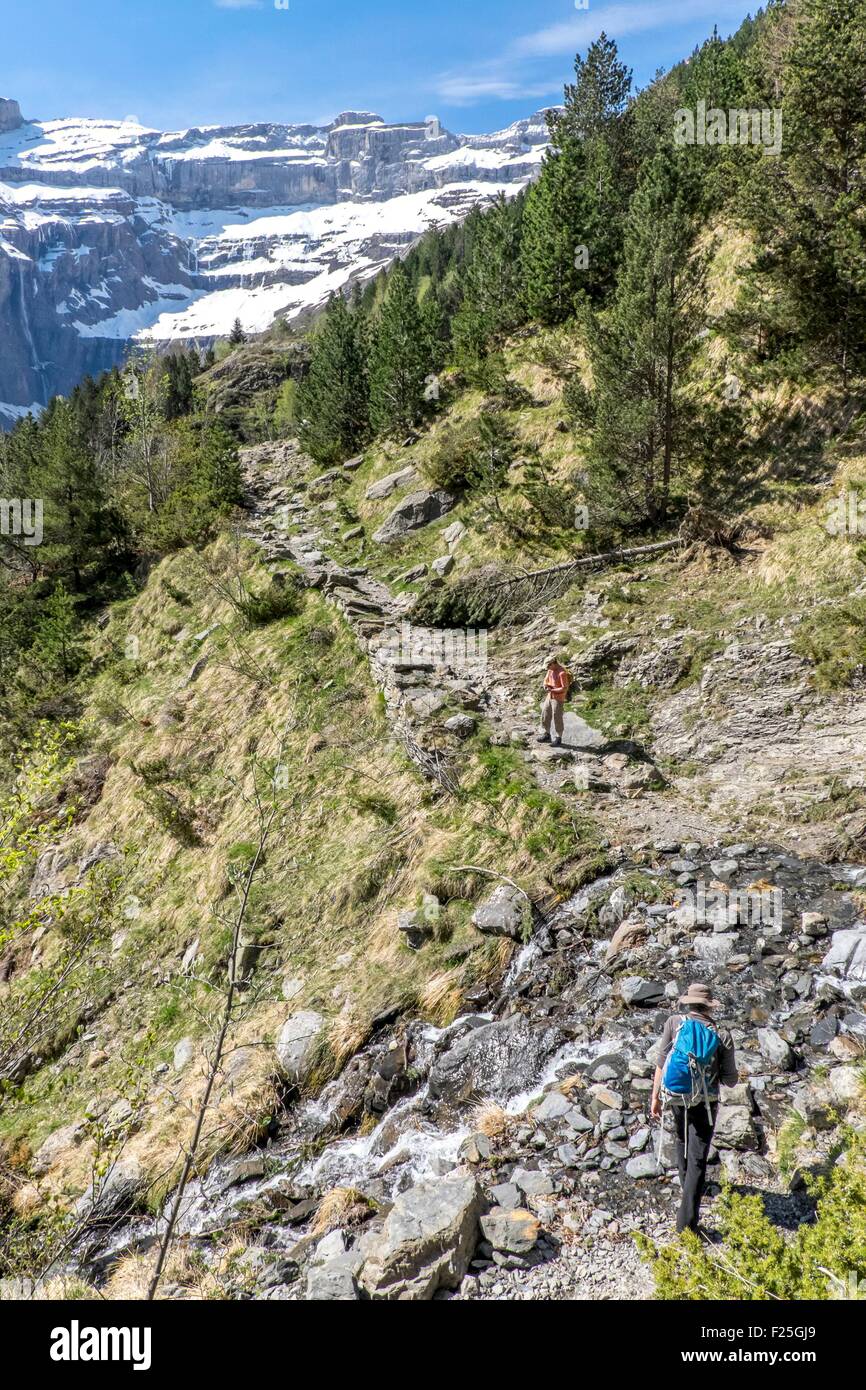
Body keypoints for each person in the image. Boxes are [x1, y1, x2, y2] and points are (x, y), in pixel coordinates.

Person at [650, 982, 738, 1235]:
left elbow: (661, 1062)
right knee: (699, 1157)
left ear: (688, 1003)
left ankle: (684, 1182)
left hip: (677, 1096)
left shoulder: (674, 1023)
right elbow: (729, 1079)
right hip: (706, 1102)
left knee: (681, 1137)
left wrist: (655, 1097)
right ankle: (686, 1225)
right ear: (709, 1007)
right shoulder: (721, 1035)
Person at [537, 655, 571, 747]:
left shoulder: (562, 673)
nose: (547, 668)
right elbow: (546, 680)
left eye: (548, 666)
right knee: (545, 712)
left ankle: (558, 737)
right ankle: (546, 734)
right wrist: (545, 685)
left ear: (553, 663)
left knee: (557, 716)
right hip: (550, 695)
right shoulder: (550, 670)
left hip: (558, 697)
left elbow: (564, 688)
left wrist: (553, 690)